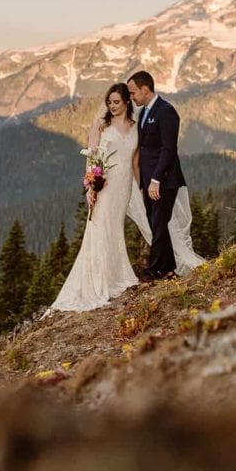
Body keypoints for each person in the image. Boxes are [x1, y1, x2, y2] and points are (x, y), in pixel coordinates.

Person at [48, 83, 141, 312]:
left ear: (127, 102)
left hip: (124, 185)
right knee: (100, 228)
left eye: (116, 102)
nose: (112, 106)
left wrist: (142, 186)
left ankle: (115, 275)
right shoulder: (101, 124)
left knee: (114, 228)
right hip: (105, 185)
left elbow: (135, 161)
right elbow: (91, 158)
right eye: (109, 102)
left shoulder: (135, 127)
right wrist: (91, 187)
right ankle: (98, 283)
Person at [127, 70, 188, 281]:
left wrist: (156, 180)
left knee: (159, 224)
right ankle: (169, 268)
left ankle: (152, 271)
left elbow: (168, 149)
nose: (131, 97)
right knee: (156, 224)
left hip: (164, 180)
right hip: (148, 179)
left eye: (133, 93)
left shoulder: (166, 111)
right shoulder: (144, 113)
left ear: (145, 89)